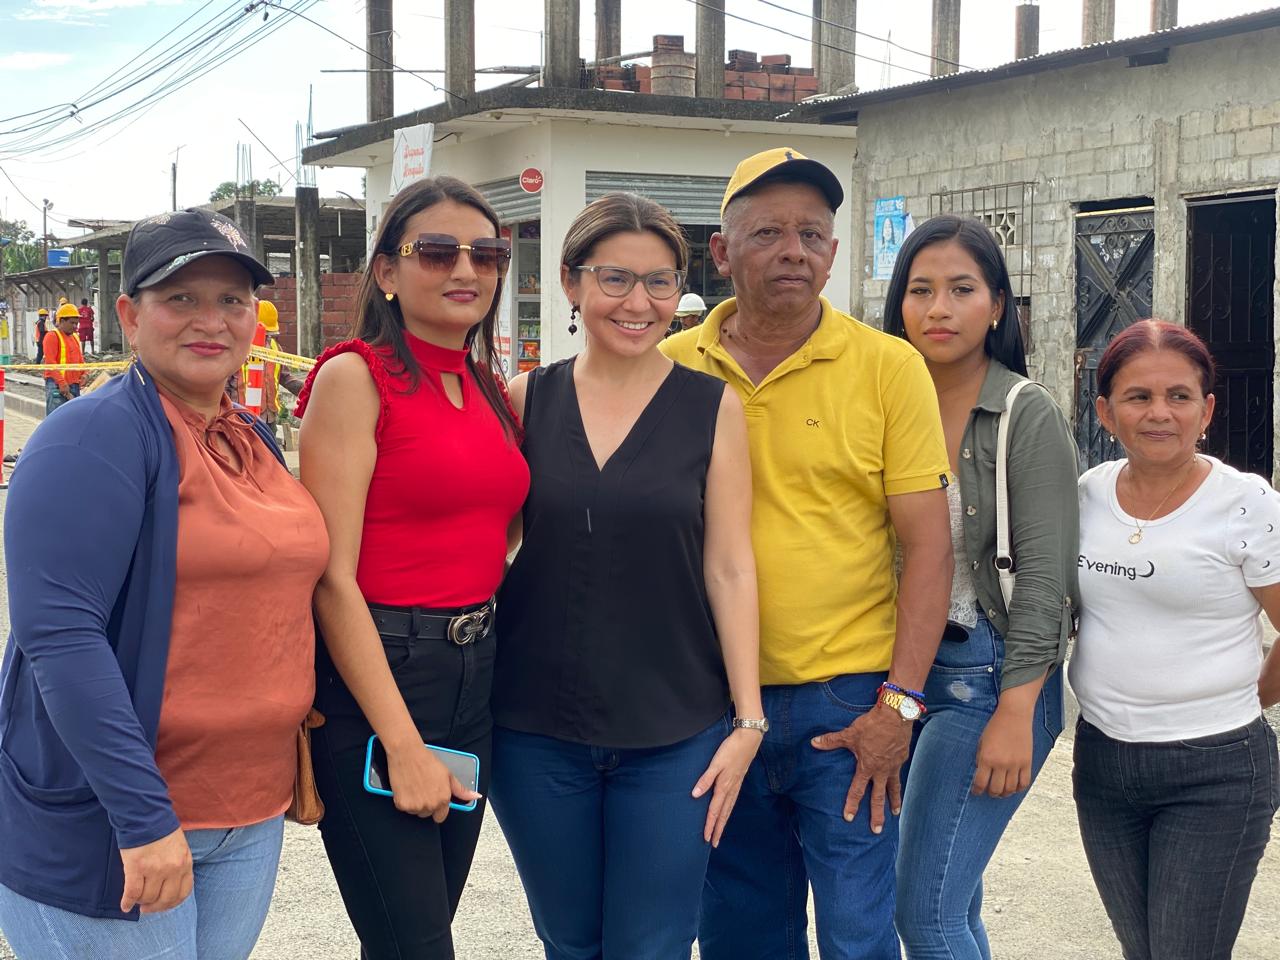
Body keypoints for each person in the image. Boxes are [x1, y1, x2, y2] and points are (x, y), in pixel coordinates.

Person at [0, 209, 328, 960]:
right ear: (129, 314)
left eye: (232, 300)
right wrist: (142, 818)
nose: (210, 321)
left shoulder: (250, 436)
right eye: (181, 298)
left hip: (246, 813)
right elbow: (61, 638)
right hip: (118, 822)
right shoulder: (92, 436)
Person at [661, 146, 953, 959]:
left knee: (860, 936)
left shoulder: (889, 367)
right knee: (741, 934)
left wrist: (898, 707)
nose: (794, 251)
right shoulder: (670, 368)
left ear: (832, 251)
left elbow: (929, 549)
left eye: (812, 235)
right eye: (768, 233)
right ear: (721, 252)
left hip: (849, 704)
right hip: (712, 704)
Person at [490, 193, 762, 959]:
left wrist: (747, 721)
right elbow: (486, 545)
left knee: (653, 945)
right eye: (615, 278)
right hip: (536, 730)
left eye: (659, 281)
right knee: (570, 942)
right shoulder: (526, 400)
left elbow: (730, 566)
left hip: (676, 730)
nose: (638, 303)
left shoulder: (712, 408)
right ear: (572, 283)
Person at [295, 176, 527, 959]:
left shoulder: (489, 387)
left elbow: (498, 531)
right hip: (381, 678)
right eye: (437, 251)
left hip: (475, 673)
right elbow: (332, 578)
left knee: (419, 932)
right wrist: (400, 741)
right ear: (387, 271)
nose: (466, 269)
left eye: (486, 254)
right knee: (417, 945)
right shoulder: (355, 378)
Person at [882, 215, 1078, 959]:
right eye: (921, 290)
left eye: (962, 289)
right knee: (951, 901)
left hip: (985, 680)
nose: (939, 308)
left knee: (924, 916)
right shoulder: (882, 403)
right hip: (899, 676)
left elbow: (1047, 581)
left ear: (998, 304)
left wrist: (1017, 711)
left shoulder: (1024, 412)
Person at [1072, 319, 1280, 960]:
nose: (1159, 413)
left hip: (1215, 771)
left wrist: (1251, 699)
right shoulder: (1087, 495)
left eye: (1179, 396)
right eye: (1138, 396)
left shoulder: (1245, 504)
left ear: (1206, 410)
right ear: (1106, 411)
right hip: (1103, 762)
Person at [43, 302, 85, 415]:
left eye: (76, 323)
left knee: (73, 419)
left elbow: (80, 359)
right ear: (61, 321)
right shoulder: (52, 336)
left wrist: (84, 374)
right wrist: (62, 383)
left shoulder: (75, 337)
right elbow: (50, 362)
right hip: (57, 385)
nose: (75, 326)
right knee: (56, 419)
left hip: (74, 386)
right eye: (72, 323)